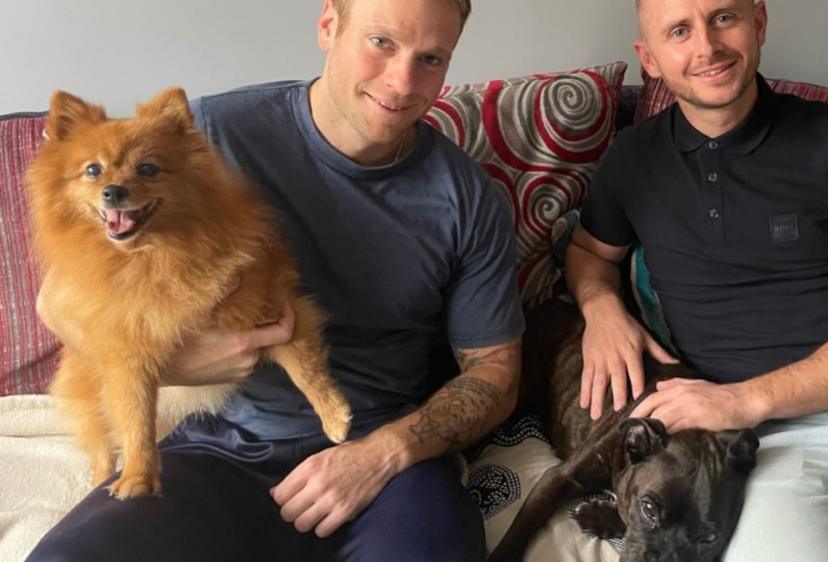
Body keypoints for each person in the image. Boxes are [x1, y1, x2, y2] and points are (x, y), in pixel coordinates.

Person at [28, 0, 524, 561]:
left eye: (431, 58)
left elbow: (497, 371)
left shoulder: (470, 197)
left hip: (383, 457)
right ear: (329, 25)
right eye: (381, 42)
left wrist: (385, 453)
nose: (403, 80)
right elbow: (56, 304)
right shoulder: (204, 136)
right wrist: (176, 363)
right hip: (214, 445)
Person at [565, 0, 828, 560]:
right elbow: (588, 253)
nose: (707, 46)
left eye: (724, 17)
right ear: (650, 59)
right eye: (679, 31)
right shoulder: (633, 160)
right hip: (774, 450)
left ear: (759, 22)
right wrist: (601, 308)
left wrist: (745, 399)